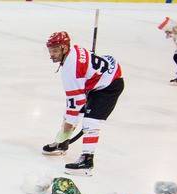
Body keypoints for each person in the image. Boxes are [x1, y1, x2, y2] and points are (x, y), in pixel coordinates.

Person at [41, 31, 124, 176]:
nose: (51, 55)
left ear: (64, 48)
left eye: (54, 51)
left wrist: (66, 128)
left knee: (91, 122)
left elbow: (76, 103)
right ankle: (62, 143)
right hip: (100, 78)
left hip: (109, 85)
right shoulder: (73, 51)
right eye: (50, 51)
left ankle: (86, 162)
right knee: (74, 112)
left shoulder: (70, 69)